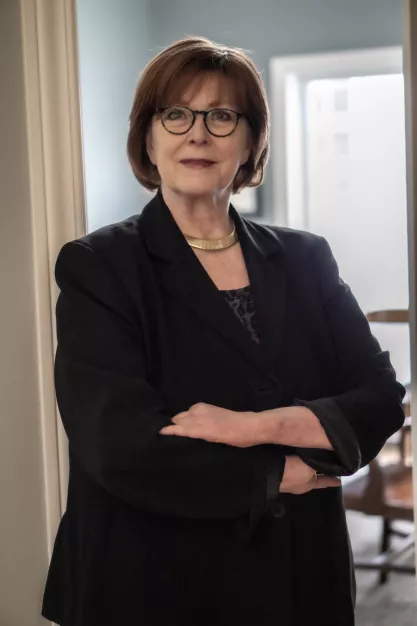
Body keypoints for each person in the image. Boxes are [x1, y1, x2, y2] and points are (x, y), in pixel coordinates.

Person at [42, 36, 405, 626]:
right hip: (153, 579)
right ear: (149, 137)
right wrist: (278, 471)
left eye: (222, 115)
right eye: (176, 113)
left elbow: (380, 397)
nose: (198, 133)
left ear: (250, 139)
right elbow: (119, 442)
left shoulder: (306, 258)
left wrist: (254, 427)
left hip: (298, 576)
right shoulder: (98, 265)